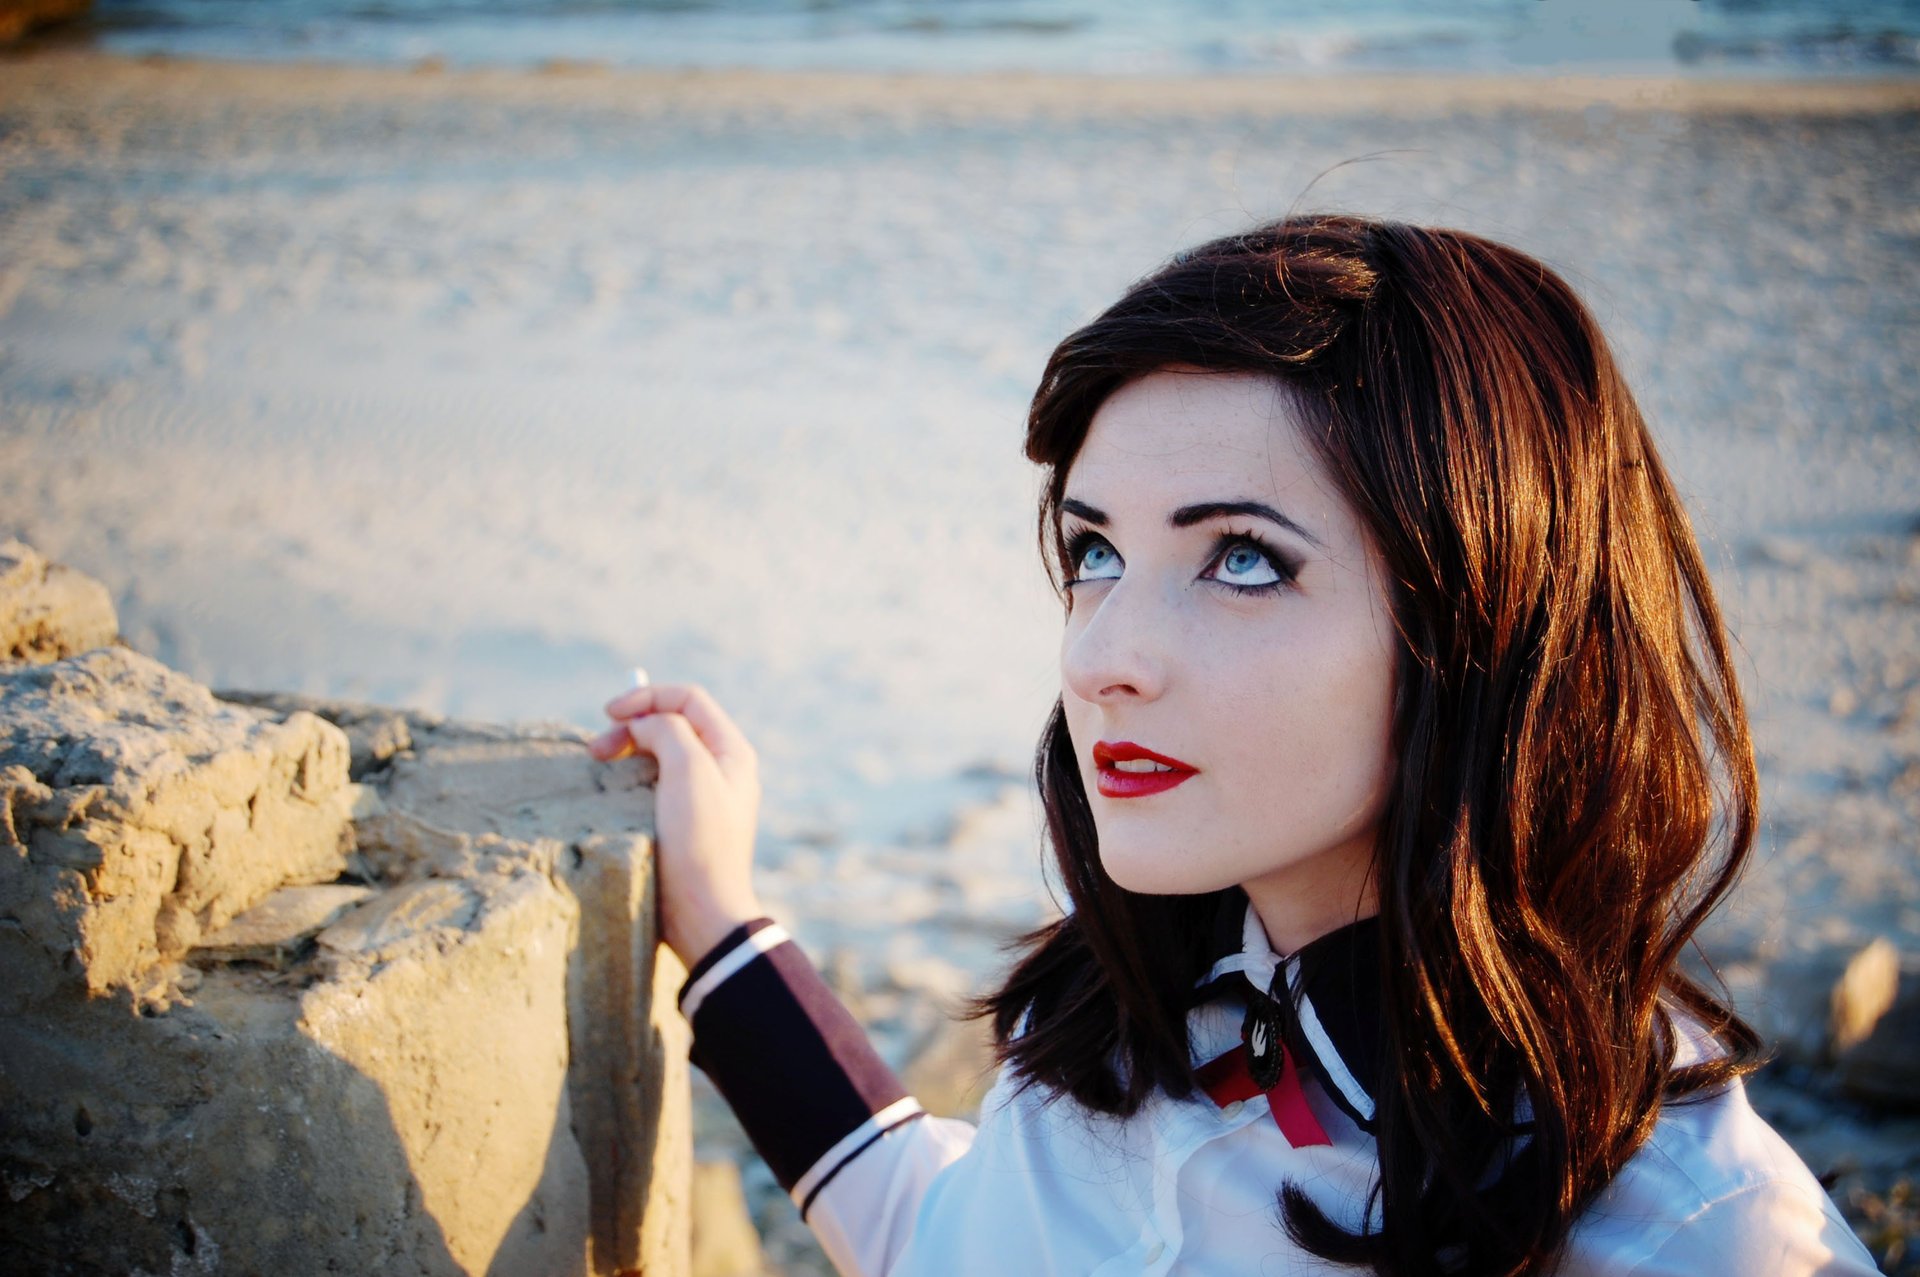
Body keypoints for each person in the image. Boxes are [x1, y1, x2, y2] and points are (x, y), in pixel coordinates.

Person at [586, 214, 1879, 1276]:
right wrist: (721, 922)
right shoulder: (1119, 1043)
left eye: (1243, 560)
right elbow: (942, 1236)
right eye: (1097, 552)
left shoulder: (1699, 1235)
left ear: (1487, 623)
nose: (1101, 657)